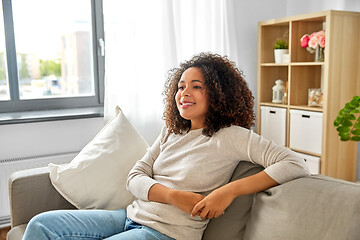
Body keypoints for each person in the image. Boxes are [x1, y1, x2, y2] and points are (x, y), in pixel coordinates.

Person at [23, 53, 310, 240]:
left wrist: (228, 191)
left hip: (167, 234)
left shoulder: (231, 136)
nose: (184, 93)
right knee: (40, 225)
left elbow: (295, 164)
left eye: (196, 86)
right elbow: (134, 178)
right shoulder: (171, 132)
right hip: (129, 217)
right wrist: (174, 196)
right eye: (181, 86)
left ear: (219, 93)